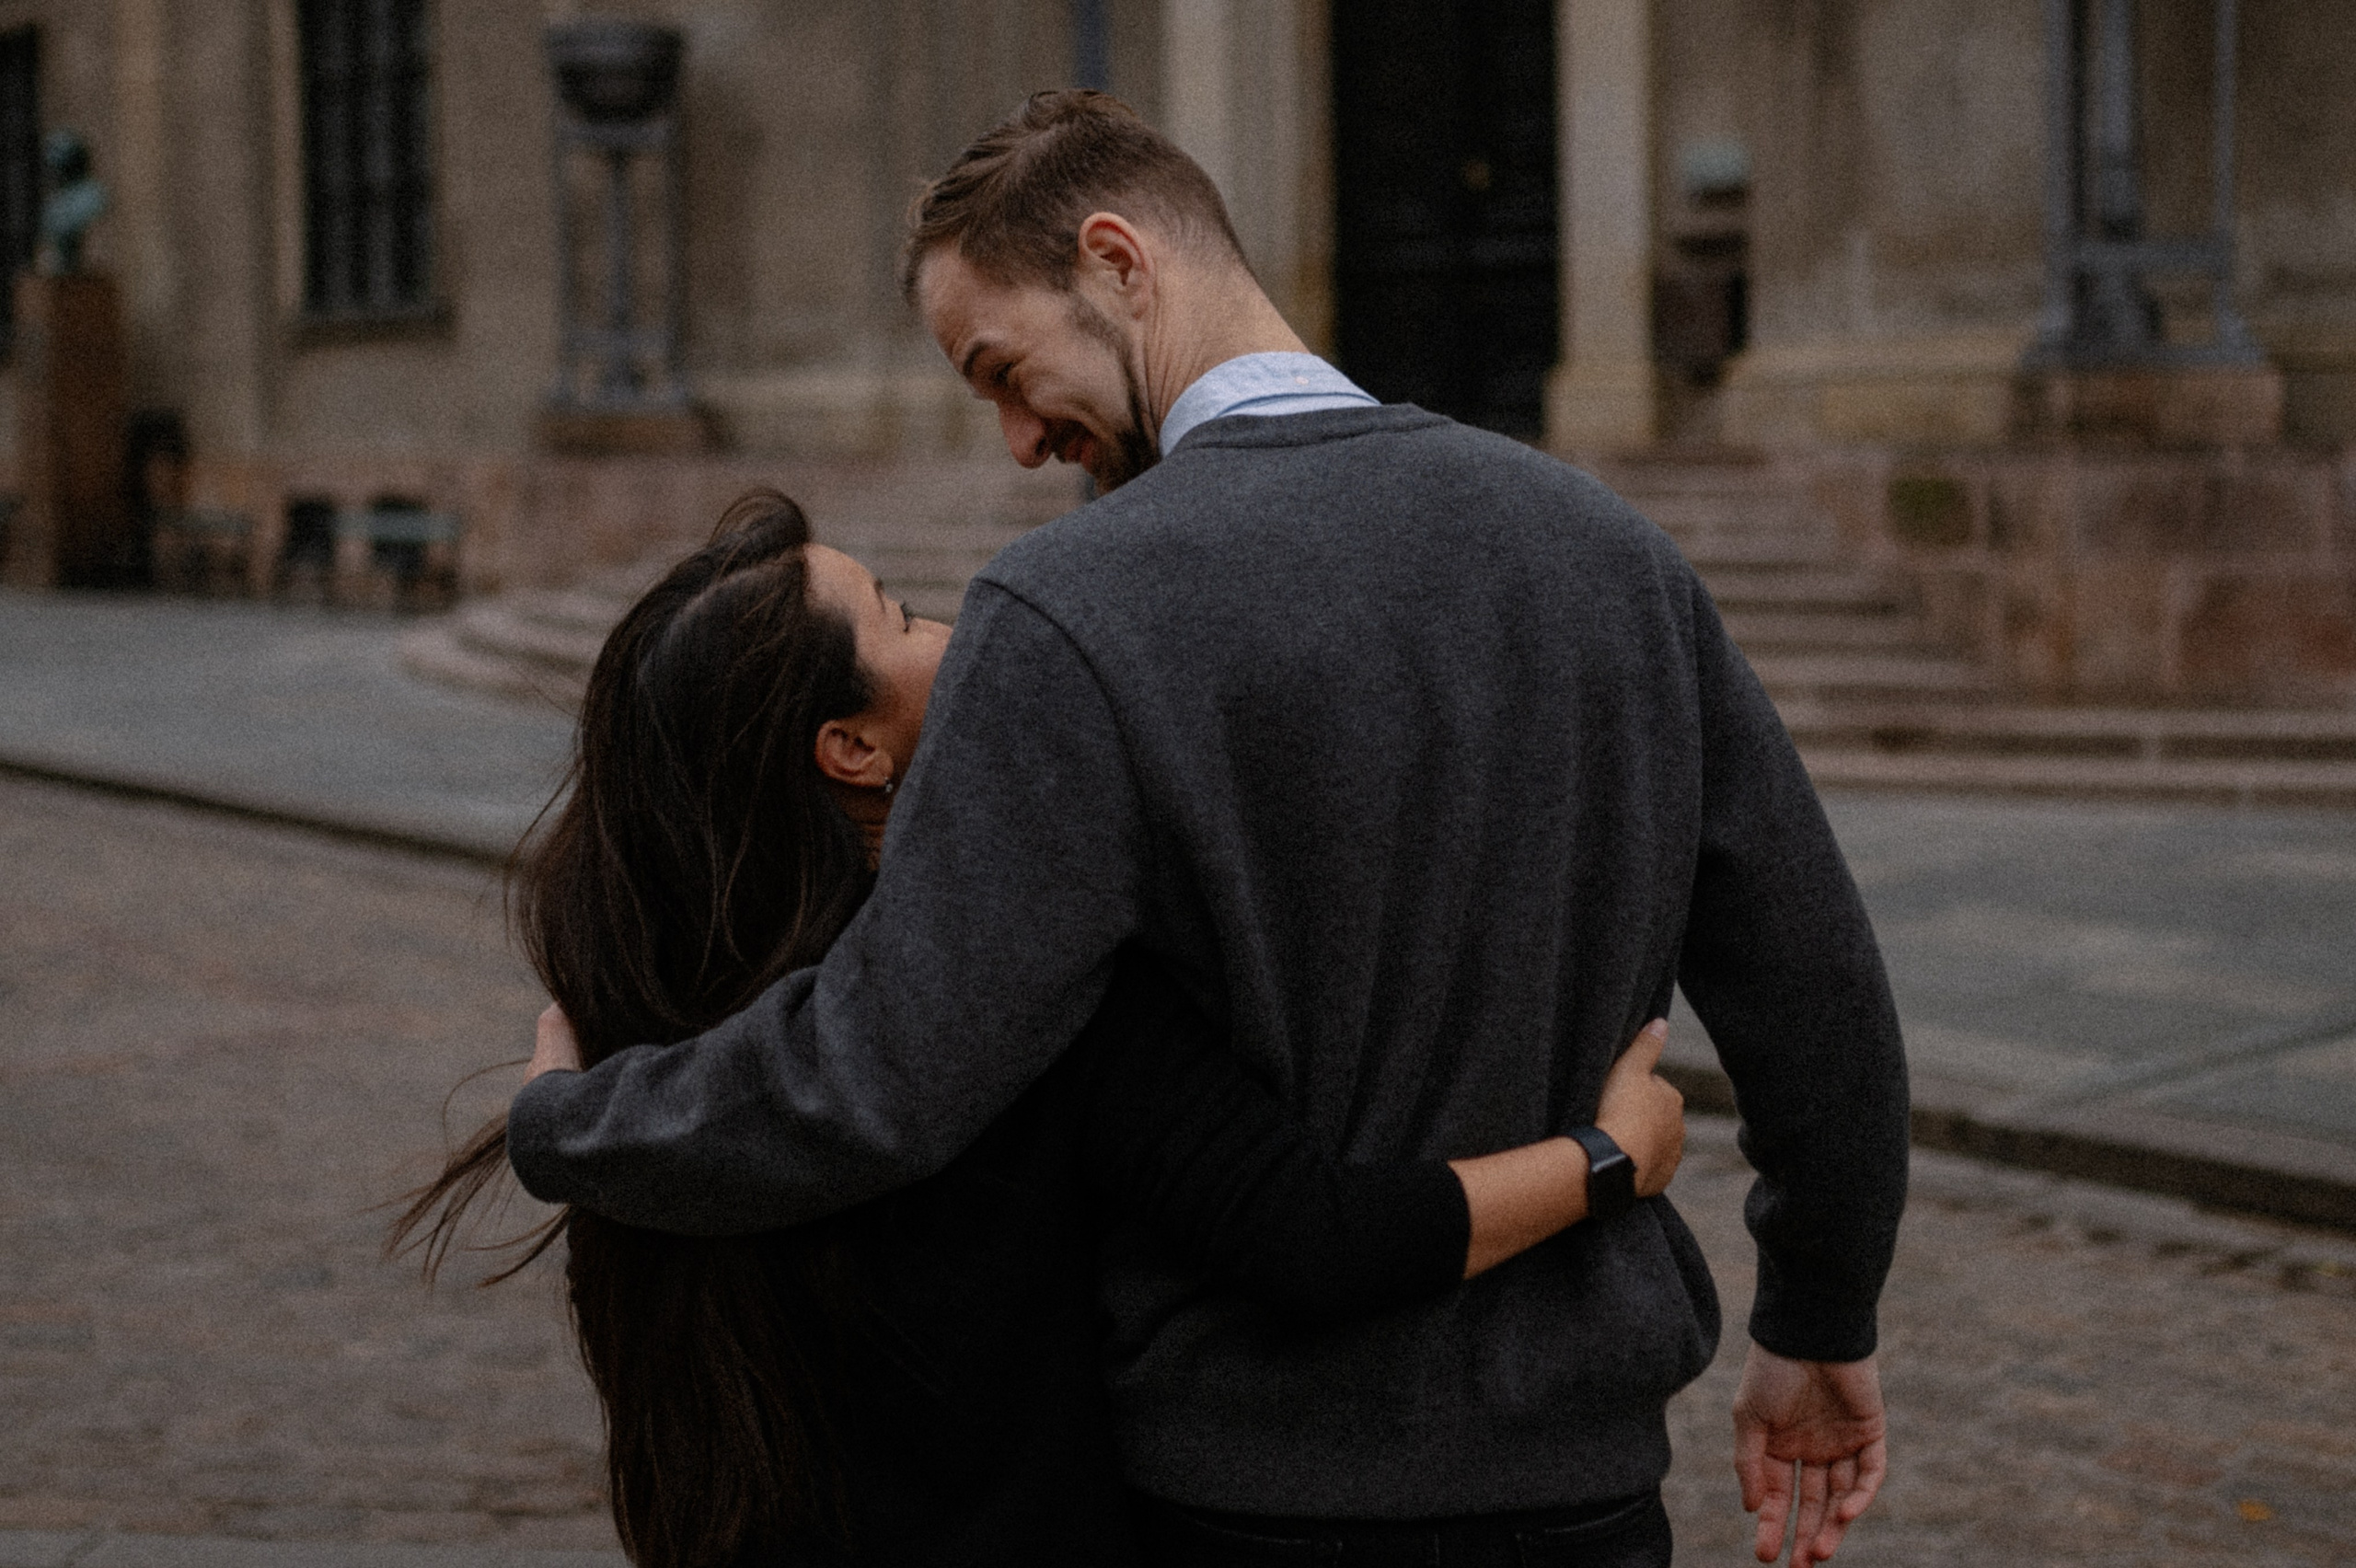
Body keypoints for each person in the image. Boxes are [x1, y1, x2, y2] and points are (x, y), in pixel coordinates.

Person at [510, 91, 1910, 1568]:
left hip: (1246, 1503)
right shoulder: (1612, 555)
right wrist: (1819, 1321)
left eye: (1004, 369)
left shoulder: (1067, 619)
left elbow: (883, 1071)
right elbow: (1816, 993)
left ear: (1119, 261)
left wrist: (577, 1122)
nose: (1019, 444)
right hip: (1582, 1495)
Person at [397, 492, 1691, 1567]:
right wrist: (1610, 1156)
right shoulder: (1033, 993)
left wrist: (561, 1115)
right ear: (849, 748)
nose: (952, 628)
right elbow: (1316, 1240)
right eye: (902, 616)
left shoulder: (647, 1063)